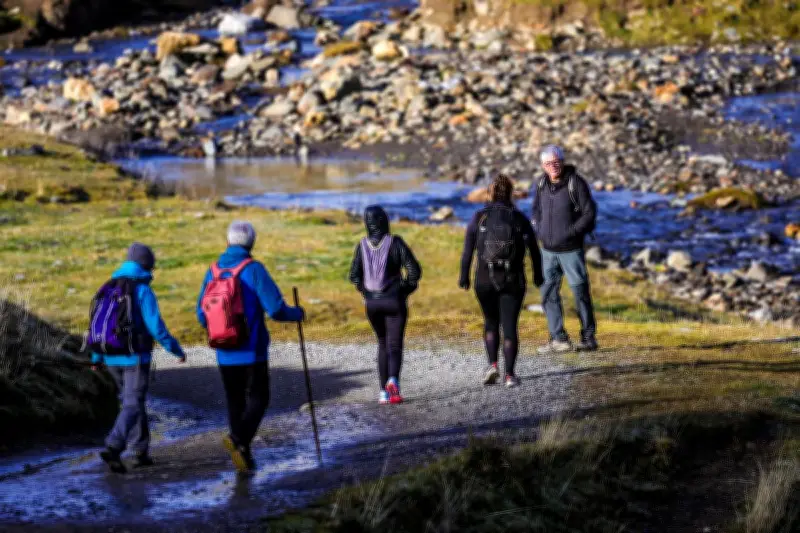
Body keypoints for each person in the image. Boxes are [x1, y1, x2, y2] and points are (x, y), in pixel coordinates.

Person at [196, 221, 305, 473]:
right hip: (252, 349)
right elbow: (276, 309)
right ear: (251, 243)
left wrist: (219, 328)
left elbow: (201, 314)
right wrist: (297, 313)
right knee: (259, 398)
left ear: (227, 242)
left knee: (235, 402)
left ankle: (242, 454)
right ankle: (239, 441)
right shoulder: (254, 269)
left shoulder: (212, 271)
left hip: (224, 351)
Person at [90, 243, 187, 474]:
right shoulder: (141, 290)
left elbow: (97, 325)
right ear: (146, 265)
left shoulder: (107, 287)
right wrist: (175, 349)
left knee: (132, 403)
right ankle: (113, 446)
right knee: (133, 403)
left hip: (110, 356)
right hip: (134, 357)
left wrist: (96, 357)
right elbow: (156, 326)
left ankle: (140, 451)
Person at [459, 174, 544, 388]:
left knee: (490, 323)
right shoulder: (519, 218)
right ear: (510, 193)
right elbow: (534, 250)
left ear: (490, 193)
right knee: (509, 327)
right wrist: (537, 275)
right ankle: (510, 375)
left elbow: (467, 251)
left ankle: (492, 366)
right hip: (512, 278)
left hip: (484, 278)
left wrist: (464, 277)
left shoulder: (479, 217)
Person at [349, 205, 422, 404]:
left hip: (371, 304)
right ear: (384, 220)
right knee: (394, 345)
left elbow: (354, 276)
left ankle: (383, 393)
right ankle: (393, 382)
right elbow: (414, 271)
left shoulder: (361, 245)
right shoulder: (395, 242)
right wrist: (403, 291)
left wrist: (367, 294)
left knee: (382, 343)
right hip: (394, 301)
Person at [532, 145, 599, 353]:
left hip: (571, 250)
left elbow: (590, 213)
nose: (552, 166)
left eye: (555, 162)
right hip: (547, 251)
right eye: (548, 163)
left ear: (562, 161)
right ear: (543, 166)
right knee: (548, 293)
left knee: (580, 293)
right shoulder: (542, 183)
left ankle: (588, 338)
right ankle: (558, 339)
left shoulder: (575, 183)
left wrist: (572, 232)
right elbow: (536, 210)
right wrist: (538, 228)